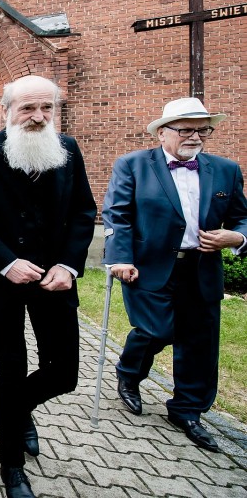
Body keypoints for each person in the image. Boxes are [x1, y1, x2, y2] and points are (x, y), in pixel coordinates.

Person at [0, 75, 96, 498]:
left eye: (46, 107)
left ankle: (19, 409)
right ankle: (11, 465)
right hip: (1, 281)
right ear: (6, 110)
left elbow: (83, 211)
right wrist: (7, 263)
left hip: (54, 280)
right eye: (28, 108)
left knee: (64, 373)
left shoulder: (68, 149)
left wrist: (69, 265)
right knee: (11, 369)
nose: (38, 116)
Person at [103, 97, 247, 453]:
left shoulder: (226, 169)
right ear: (162, 133)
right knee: (156, 330)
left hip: (202, 268)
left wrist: (237, 237)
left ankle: (187, 411)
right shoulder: (133, 165)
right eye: (185, 130)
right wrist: (119, 258)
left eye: (202, 130)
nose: (195, 137)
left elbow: (242, 217)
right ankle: (129, 373)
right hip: (148, 265)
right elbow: (117, 214)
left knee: (199, 342)